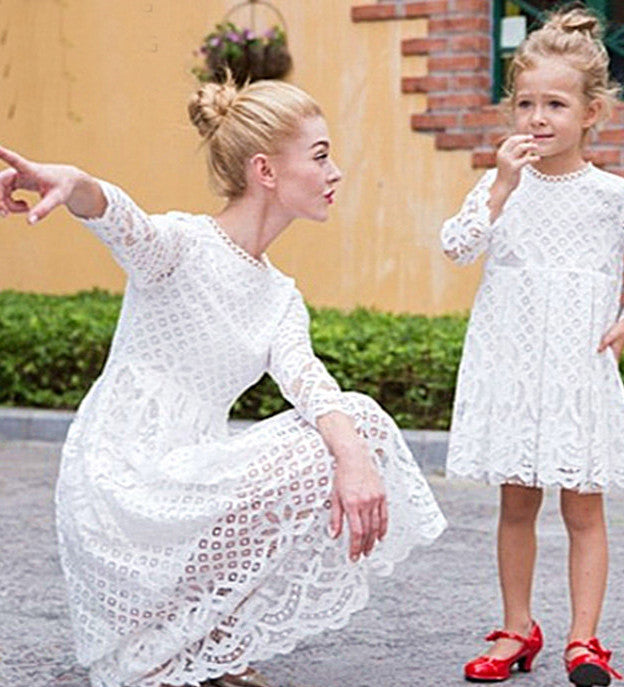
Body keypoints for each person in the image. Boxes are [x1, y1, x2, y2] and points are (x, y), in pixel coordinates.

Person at [0, 77, 447, 687]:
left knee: (354, 423)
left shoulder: (280, 296)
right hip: (122, 479)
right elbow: (122, 220)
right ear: (265, 170)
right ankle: (166, 649)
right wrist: (76, 184)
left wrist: (356, 462)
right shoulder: (182, 245)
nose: (336, 172)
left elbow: (311, 383)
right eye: (320, 156)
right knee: (352, 429)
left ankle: (207, 640)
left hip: (194, 474)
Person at [439, 7, 624, 687]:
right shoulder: (501, 185)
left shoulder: (612, 196)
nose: (536, 118)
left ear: (591, 112)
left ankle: (583, 639)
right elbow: (455, 246)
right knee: (516, 503)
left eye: (554, 103)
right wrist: (498, 187)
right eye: (524, 103)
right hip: (513, 366)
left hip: (576, 368)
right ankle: (516, 628)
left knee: (582, 507)